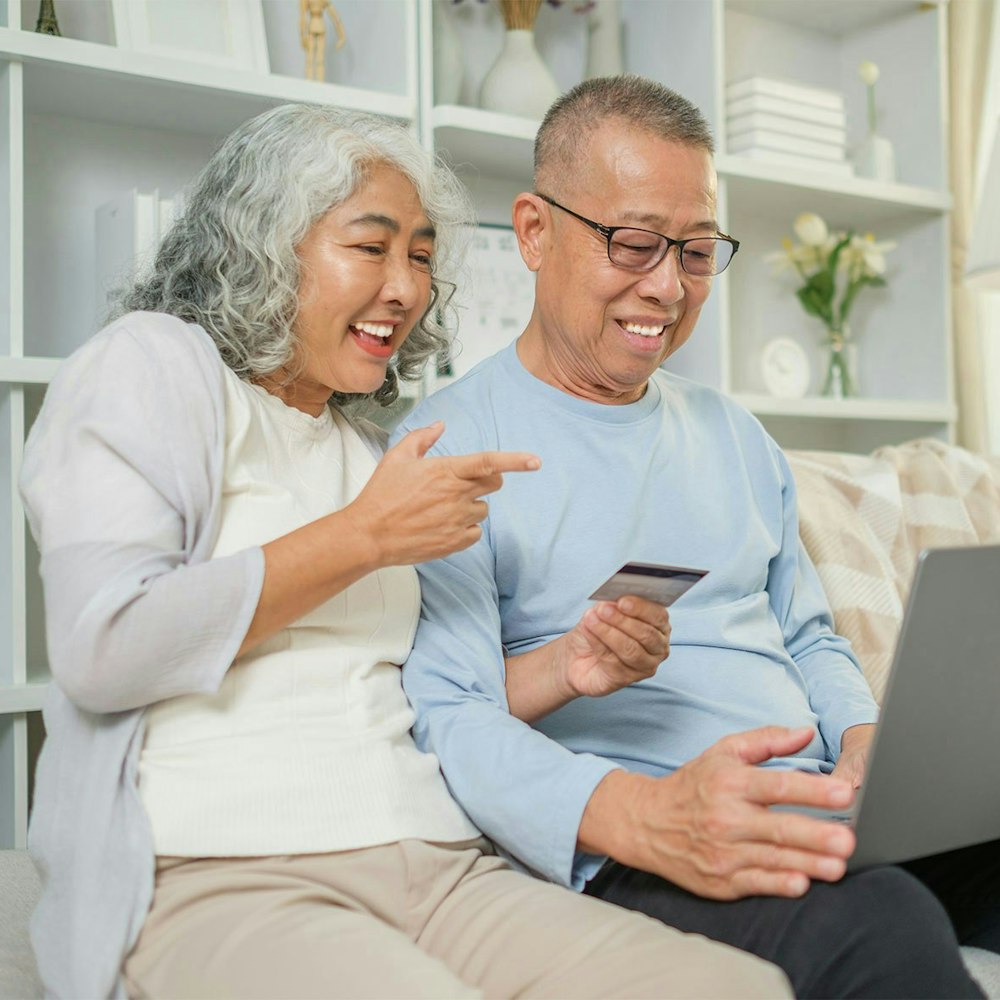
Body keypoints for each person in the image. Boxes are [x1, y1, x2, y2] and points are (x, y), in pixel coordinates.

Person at [19, 102, 792, 1000]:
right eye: (370, 246)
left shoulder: (375, 448)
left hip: (439, 863)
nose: (405, 287)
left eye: (421, 256)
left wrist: (568, 667)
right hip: (227, 867)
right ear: (266, 246)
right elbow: (102, 648)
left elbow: (435, 700)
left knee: (738, 990)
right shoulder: (151, 368)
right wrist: (362, 537)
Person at [393, 75, 1000, 999]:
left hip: (816, 801)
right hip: (652, 837)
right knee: (881, 924)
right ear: (532, 230)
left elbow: (806, 634)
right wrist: (638, 810)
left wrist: (864, 732)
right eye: (634, 244)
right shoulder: (448, 449)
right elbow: (447, 716)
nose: (668, 287)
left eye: (699, 251)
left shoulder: (734, 435)